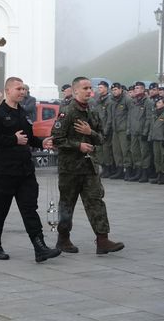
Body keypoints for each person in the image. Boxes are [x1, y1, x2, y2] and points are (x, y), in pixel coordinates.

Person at [0, 77, 60, 262]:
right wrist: (12, 139)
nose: (22, 92)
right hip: (5, 170)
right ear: (8, 90)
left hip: (25, 169)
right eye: (18, 88)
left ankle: (39, 247)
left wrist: (42, 142)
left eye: (24, 89)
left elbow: (28, 138)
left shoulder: (24, 112)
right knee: (1, 208)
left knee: (29, 208)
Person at [51, 76, 124, 255]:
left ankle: (102, 240)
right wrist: (79, 145)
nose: (89, 91)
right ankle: (63, 239)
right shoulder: (67, 112)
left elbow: (101, 137)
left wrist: (89, 132)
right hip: (70, 168)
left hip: (89, 166)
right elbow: (57, 139)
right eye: (85, 88)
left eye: (90, 88)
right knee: (67, 204)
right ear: (76, 91)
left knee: (96, 201)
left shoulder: (92, 110)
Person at [127, 81, 154, 182]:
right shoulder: (133, 101)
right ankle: (138, 172)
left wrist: (145, 132)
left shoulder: (148, 102)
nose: (135, 90)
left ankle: (145, 173)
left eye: (138, 88)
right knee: (135, 152)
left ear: (143, 89)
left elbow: (149, 118)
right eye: (135, 88)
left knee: (144, 153)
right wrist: (129, 131)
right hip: (134, 132)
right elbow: (130, 117)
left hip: (142, 132)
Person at [109, 83, 133, 180]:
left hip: (124, 130)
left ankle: (128, 171)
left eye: (115, 89)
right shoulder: (112, 101)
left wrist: (128, 130)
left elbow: (131, 115)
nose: (114, 92)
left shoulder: (127, 99)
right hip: (116, 130)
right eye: (113, 90)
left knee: (125, 151)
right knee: (116, 151)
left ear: (120, 89)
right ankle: (119, 171)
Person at [93, 80, 114, 178]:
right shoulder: (98, 100)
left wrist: (106, 130)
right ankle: (104, 167)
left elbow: (110, 118)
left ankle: (109, 169)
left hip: (106, 130)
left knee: (106, 150)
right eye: (98, 87)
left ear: (106, 88)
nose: (99, 89)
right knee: (99, 150)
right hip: (99, 129)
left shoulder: (109, 101)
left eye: (101, 87)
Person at [148, 97, 164, 184]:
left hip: (162, 139)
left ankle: (163, 175)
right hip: (155, 139)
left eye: (159, 102)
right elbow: (152, 127)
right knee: (157, 158)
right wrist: (150, 137)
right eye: (157, 102)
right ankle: (158, 175)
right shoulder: (155, 113)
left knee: (163, 158)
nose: (157, 104)